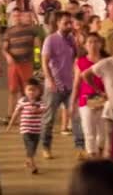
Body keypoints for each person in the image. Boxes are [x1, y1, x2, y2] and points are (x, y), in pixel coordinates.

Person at [41, 11, 84, 159]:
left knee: (76, 117)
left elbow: (78, 57)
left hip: (70, 84)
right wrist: (51, 81)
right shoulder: (50, 40)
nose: (68, 25)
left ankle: (80, 147)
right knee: (49, 119)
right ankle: (46, 147)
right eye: (65, 23)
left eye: (70, 23)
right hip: (54, 86)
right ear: (58, 23)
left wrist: (77, 41)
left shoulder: (72, 39)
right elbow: (44, 63)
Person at [70, 33, 107, 158]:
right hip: (86, 100)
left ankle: (100, 151)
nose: (93, 45)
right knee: (89, 131)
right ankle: (92, 156)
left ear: (101, 44)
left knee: (102, 132)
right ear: (85, 45)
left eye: (96, 41)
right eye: (90, 42)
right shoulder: (80, 62)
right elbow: (76, 84)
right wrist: (72, 103)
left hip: (104, 100)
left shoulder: (107, 61)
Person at [2, 9, 41, 123]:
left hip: (27, 63)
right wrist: (7, 56)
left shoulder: (32, 30)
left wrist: (38, 62)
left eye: (19, 15)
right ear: (12, 18)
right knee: (13, 90)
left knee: (27, 90)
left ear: (23, 17)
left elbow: (37, 47)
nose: (17, 17)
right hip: (13, 65)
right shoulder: (9, 31)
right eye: (14, 16)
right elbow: (4, 48)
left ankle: (27, 114)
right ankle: (10, 115)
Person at [6, 77, 46, 174]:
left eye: (34, 90)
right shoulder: (22, 101)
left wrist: (37, 110)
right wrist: (10, 124)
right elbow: (16, 113)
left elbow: (44, 109)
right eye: (29, 90)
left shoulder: (40, 102)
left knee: (34, 147)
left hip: (36, 130)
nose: (31, 92)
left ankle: (29, 160)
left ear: (38, 91)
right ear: (25, 90)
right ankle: (33, 165)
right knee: (30, 146)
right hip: (25, 129)